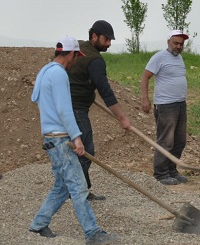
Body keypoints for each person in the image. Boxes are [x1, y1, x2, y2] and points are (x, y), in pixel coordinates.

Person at [28, 36, 117, 245]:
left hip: (50, 137)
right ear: (70, 54)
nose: (76, 61)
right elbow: (64, 109)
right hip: (60, 138)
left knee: (62, 187)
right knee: (78, 187)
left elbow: (35, 98)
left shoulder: (45, 71)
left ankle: (38, 225)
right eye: (76, 56)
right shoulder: (59, 74)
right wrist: (77, 138)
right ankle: (93, 233)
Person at [67, 20, 132, 200]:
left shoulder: (79, 47)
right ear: (94, 36)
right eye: (106, 39)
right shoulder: (95, 60)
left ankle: (81, 189)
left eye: (111, 40)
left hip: (66, 105)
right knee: (86, 152)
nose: (109, 44)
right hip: (76, 109)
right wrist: (122, 118)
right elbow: (106, 91)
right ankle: (74, 191)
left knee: (77, 150)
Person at [140, 30, 190, 185]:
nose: (179, 46)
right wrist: (145, 99)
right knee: (166, 141)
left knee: (180, 140)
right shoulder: (159, 57)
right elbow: (145, 77)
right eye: (176, 43)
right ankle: (161, 174)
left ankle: (172, 170)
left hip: (180, 103)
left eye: (181, 44)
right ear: (168, 41)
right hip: (165, 105)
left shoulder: (179, 58)